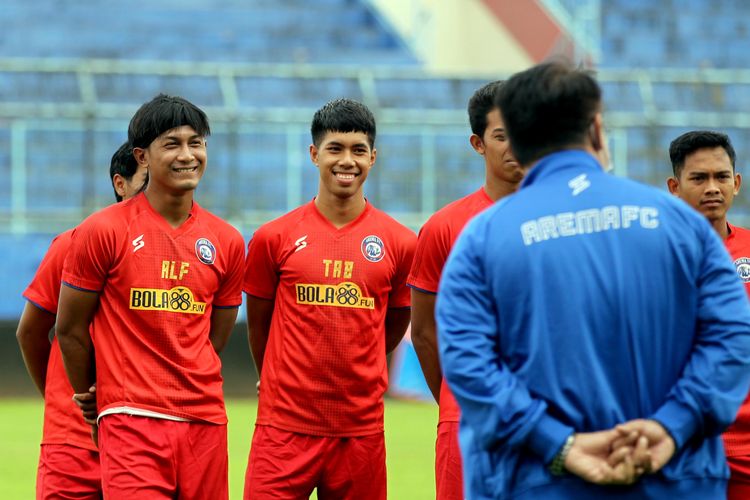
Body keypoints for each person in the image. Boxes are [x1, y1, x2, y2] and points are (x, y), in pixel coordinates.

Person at [436, 61, 750, 499]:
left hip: (537, 481)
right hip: (673, 478)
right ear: (598, 128)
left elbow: (466, 363)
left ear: (519, 142)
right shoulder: (684, 226)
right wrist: (670, 427)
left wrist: (557, 444)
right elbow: (733, 337)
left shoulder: (482, 239)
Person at [56, 94, 245, 499]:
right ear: (142, 156)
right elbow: (69, 328)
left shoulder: (227, 240)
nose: (187, 155)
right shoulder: (103, 230)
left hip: (205, 420)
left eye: (196, 143)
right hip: (130, 418)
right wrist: (92, 392)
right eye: (172, 144)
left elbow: (215, 337)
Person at [242, 98, 417, 499]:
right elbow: (259, 324)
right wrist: (273, 376)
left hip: (360, 430)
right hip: (283, 427)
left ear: (372, 158)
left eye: (358, 150)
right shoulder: (274, 237)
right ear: (314, 154)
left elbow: (394, 324)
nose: (346, 161)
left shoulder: (401, 243)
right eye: (335, 149)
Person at [407, 80, 525, 499]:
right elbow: (422, 331)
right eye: (501, 135)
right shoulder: (444, 227)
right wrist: (457, 399)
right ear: (478, 144)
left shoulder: (565, 222)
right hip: (467, 420)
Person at [15, 142, 147, 499]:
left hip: (146, 440)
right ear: (121, 185)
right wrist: (65, 398)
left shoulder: (176, 254)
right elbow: (30, 332)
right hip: (73, 443)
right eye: (146, 183)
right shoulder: (73, 244)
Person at [667, 130, 750, 499]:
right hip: (684, 445)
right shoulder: (653, 257)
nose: (712, 188)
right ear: (674, 186)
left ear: (736, 183)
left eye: (720, 177)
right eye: (698, 178)